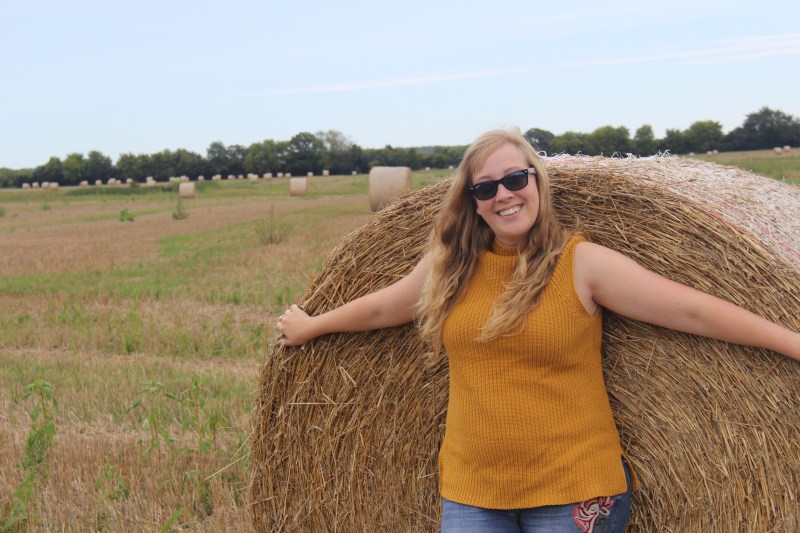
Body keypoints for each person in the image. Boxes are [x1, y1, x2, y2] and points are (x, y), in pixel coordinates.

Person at [276, 127, 800, 533]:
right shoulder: (450, 267)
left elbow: (692, 311)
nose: (503, 195)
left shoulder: (582, 263)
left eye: (514, 179)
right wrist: (313, 326)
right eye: (485, 187)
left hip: (575, 493)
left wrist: (791, 341)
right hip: (472, 493)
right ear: (472, 200)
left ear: (536, 179)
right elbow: (380, 310)